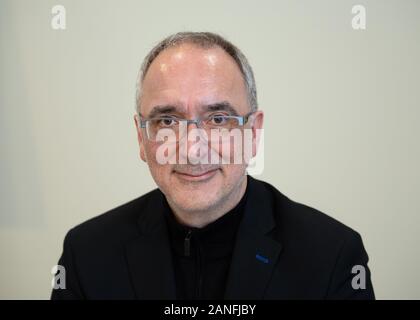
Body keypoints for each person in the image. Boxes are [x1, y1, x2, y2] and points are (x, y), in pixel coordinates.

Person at [51, 32, 374, 300]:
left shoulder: (332, 255)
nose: (192, 149)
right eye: (167, 120)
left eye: (218, 119)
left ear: (253, 132)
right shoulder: (87, 253)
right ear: (141, 137)